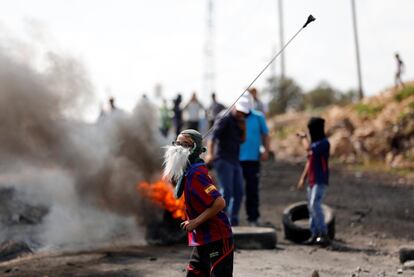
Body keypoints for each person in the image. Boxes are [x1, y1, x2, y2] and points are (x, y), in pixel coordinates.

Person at [163, 129, 234, 276]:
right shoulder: (188, 171)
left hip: (217, 237)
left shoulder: (197, 174)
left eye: (185, 144)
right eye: (177, 143)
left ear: (195, 149)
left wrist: (195, 222)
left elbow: (220, 203)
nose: (179, 147)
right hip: (202, 239)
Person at [206, 97, 249, 226]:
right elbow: (212, 137)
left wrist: (243, 127)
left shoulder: (240, 121)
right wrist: (209, 154)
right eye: (240, 111)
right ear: (235, 106)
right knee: (227, 192)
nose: (242, 114)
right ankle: (220, 220)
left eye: (244, 113)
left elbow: (242, 140)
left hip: (235, 160)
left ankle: (233, 220)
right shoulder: (224, 117)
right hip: (223, 159)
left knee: (239, 192)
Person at [297, 117, 330, 246]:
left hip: (320, 180)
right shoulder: (316, 145)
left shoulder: (323, 143)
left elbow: (308, 148)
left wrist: (303, 137)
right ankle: (314, 234)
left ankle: (324, 233)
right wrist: (302, 178)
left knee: (315, 204)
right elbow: (309, 162)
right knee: (311, 207)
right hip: (312, 181)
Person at [239, 94, 270, 226]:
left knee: (252, 190)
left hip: (253, 159)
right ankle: (232, 218)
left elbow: (266, 134)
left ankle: (253, 218)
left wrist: (266, 150)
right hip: (236, 160)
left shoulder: (258, 117)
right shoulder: (236, 117)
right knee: (236, 191)